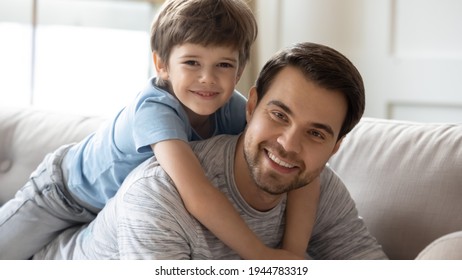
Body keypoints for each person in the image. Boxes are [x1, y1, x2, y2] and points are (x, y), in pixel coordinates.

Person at [0, 0, 317, 260]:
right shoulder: (153, 108)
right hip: (61, 194)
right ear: (162, 64)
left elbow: (301, 172)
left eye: (223, 65)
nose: (207, 78)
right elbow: (197, 192)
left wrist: (292, 252)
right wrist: (260, 254)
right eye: (192, 62)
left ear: (239, 72)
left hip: (112, 215)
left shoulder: (234, 108)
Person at [33, 42, 388, 260]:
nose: (288, 145)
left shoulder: (318, 188)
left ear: (335, 146)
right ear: (250, 107)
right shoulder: (158, 195)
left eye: (315, 134)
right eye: (279, 115)